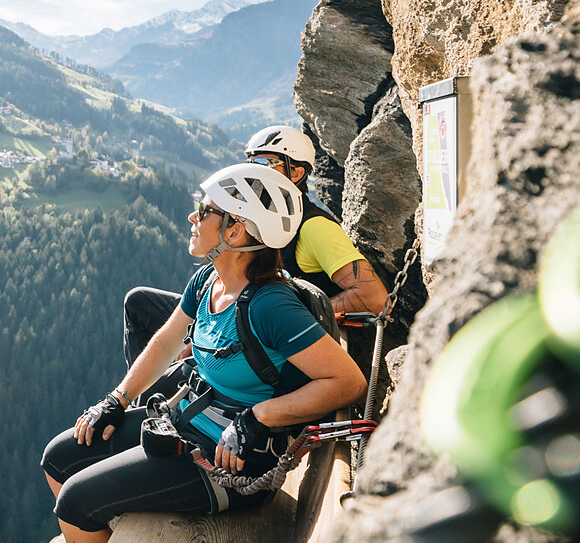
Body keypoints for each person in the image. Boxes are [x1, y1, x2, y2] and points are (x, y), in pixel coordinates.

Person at [42, 163, 367, 543]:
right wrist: (117, 399)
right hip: (188, 424)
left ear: (236, 232)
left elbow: (349, 382)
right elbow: (162, 345)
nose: (193, 217)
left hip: (232, 463)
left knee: (76, 501)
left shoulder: (271, 307)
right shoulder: (207, 281)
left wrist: (259, 416)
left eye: (205, 210)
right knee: (59, 456)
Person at [122, 126, 385, 368]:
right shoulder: (257, 213)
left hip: (264, 324)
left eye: (264, 163)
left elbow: (373, 297)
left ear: (296, 172)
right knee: (139, 302)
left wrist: (295, 319)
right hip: (241, 310)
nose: (253, 171)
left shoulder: (314, 227)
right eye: (250, 163)